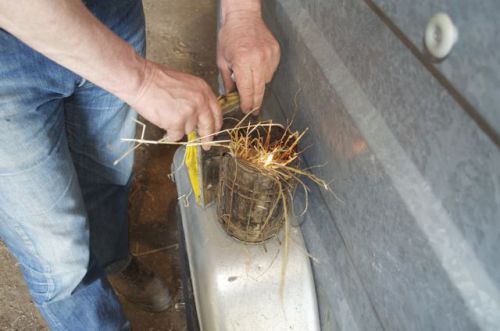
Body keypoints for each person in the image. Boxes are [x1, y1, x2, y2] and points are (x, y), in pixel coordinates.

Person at [0, 0, 280, 329]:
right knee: (60, 259)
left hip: (109, 14)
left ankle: (111, 260)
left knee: (106, 172)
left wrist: (242, 14)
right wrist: (141, 81)